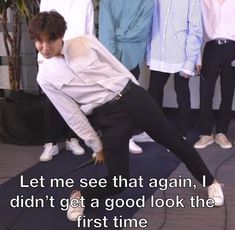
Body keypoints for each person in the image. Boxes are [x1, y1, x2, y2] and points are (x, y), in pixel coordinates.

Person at [28, 11, 224, 221]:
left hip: (133, 96)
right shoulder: (46, 77)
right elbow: (71, 114)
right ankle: (80, 195)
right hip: (107, 116)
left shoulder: (84, 42)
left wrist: (137, 92)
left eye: (51, 41)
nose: (45, 48)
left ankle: (211, 182)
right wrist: (96, 144)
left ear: (61, 36)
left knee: (176, 142)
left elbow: (116, 65)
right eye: (40, 41)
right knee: (118, 182)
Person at [38, 0, 94, 161]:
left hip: (77, 57)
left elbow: (89, 32)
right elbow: (42, 29)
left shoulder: (85, 2)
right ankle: (50, 143)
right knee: (51, 101)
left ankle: (73, 139)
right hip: (51, 56)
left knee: (75, 100)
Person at [98, 0, 155, 154]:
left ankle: (126, 138)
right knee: (107, 99)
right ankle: (104, 139)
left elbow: (141, 30)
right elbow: (105, 29)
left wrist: (119, 35)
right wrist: (111, 57)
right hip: (109, 54)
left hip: (133, 53)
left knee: (129, 100)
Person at [147, 0, 203, 137]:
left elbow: (195, 30)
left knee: (182, 94)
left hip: (181, 55)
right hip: (158, 53)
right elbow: (150, 25)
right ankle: (153, 131)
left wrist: (191, 61)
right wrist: (149, 54)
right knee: (154, 91)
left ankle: (182, 133)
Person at [194, 0, 235, 149]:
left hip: (232, 48)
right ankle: (206, 134)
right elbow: (196, 29)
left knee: (228, 91)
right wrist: (197, 57)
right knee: (206, 91)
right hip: (211, 48)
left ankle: (221, 133)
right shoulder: (203, 2)